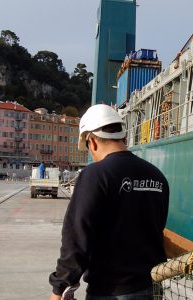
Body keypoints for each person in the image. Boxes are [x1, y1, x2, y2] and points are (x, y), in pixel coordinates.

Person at [49, 104, 170, 300]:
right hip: (152, 289)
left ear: (92, 142)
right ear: (123, 137)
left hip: (111, 292)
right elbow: (157, 229)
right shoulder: (158, 177)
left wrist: (60, 287)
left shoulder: (95, 175)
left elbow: (76, 237)